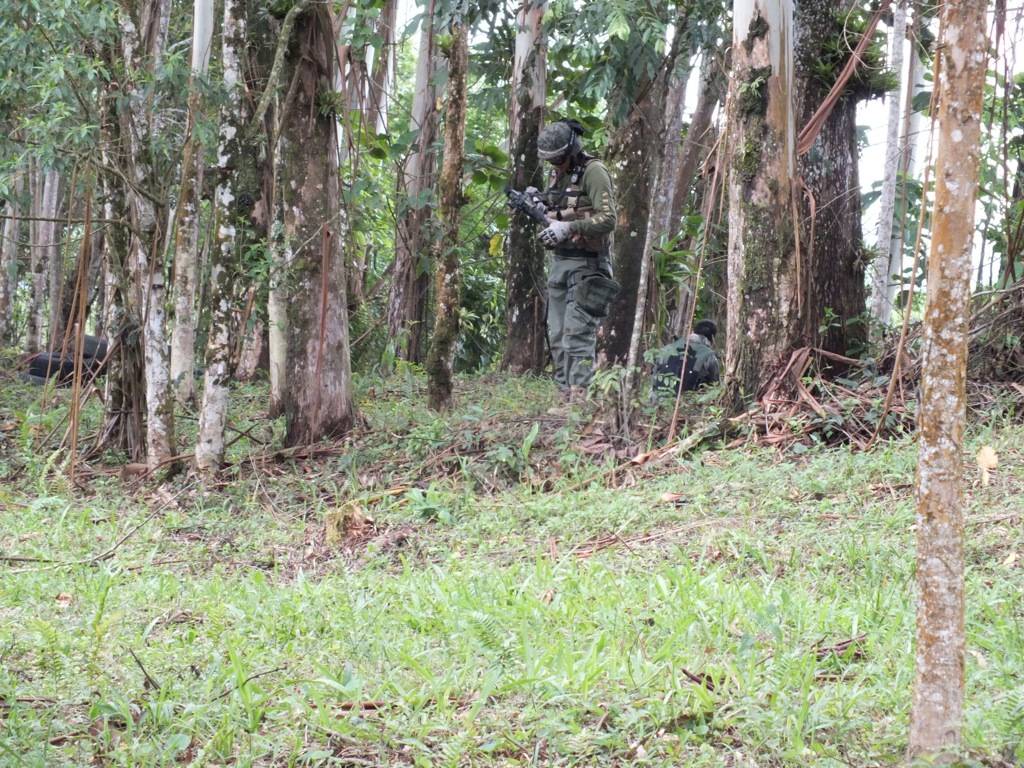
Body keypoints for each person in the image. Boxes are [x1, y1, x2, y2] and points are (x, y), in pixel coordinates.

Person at [533, 119, 619, 399]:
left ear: (571, 150)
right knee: (556, 335)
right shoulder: (557, 176)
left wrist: (569, 227)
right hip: (560, 263)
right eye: (550, 161)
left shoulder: (593, 171)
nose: (554, 165)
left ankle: (580, 398)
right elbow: (555, 214)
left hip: (587, 265)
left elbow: (608, 219)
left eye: (558, 159)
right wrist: (539, 208)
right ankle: (563, 394)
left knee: (577, 335)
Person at [653, 319, 720, 395]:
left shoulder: (667, 349)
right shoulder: (709, 356)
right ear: (712, 338)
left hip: (658, 401)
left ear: (693, 331)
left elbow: (655, 378)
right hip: (689, 403)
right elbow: (715, 388)